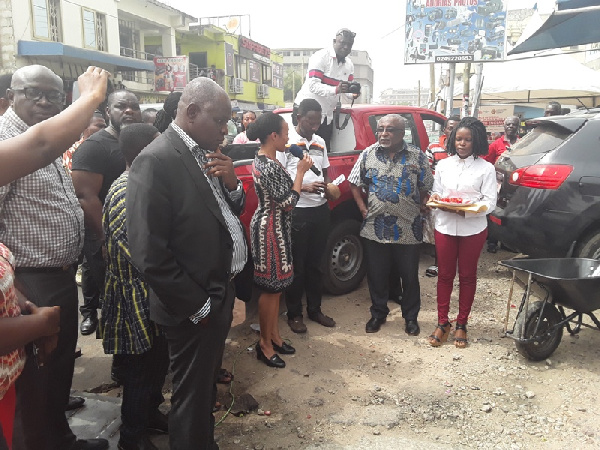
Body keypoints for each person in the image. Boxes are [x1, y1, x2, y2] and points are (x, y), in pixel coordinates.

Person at [127, 77, 247, 450]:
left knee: (202, 391)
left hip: (216, 292)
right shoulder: (156, 160)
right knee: (191, 398)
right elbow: (149, 254)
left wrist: (231, 185)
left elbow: (225, 214)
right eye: (221, 121)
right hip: (193, 305)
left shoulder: (204, 153)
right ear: (192, 113)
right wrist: (199, 308)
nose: (226, 130)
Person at [0, 65, 108, 450]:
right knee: (32, 377)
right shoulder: (10, 142)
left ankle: (60, 438)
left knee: (59, 367)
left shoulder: (53, 140)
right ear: (12, 95)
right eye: (34, 93)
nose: (45, 102)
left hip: (61, 274)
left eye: (54, 96)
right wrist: (18, 288)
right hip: (29, 280)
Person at [100, 123, 168, 450]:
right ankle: (132, 436)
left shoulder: (144, 183)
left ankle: (150, 415)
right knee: (140, 371)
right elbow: (141, 253)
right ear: (143, 152)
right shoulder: (127, 190)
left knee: (157, 364)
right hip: (135, 296)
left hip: (149, 292)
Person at [348, 114, 433, 335]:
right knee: (377, 275)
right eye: (381, 129)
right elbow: (354, 183)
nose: (383, 134)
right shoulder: (368, 154)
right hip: (375, 227)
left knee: (409, 276)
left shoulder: (417, 156)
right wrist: (362, 207)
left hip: (408, 227)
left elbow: (425, 185)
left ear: (401, 133)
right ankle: (378, 313)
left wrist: (421, 203)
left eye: (389, 130)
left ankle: (411, 318)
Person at [72, 90, 142, 336]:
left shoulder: (141, 141)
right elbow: (86, 197)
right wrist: (106, 237)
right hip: (105, 237)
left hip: (139, 233)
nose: (129, 110)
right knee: (114, 297)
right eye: (121, 106)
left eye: (134, 106)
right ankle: (122, 360)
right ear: (108, 112)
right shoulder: (94, 147)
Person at [248, 113, 312, 368]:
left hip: (277, 229)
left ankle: (274, 335)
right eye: (285, 133)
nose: (289, 137)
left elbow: (282, 194)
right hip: (269, 231)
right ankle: (263, 344)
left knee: (278, 289)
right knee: (271, 288)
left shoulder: (269, 160)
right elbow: (287, 203)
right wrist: (300, 173)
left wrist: (301, 183)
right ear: (273, 136)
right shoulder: (267, 164)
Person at [427, 117, 497, 349]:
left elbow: (490, 202)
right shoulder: (444, 165)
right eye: (458, 139)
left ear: (476, 141)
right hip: (445, 226)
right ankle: (442, 322)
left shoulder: (486, 168)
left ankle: (462, 324)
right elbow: (437, 192)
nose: (462, 144)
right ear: (452, 140)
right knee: (445, 275)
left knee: (467, 276)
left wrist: (468, 211)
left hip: (473, 228)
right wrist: (436, 199)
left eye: (467, 140)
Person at [277, 99, 336, 333]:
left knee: (316, 265)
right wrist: (302, 188)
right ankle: (294, 314)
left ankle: (315, 310)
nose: (315, 125)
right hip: (297, 211)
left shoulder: (320, 141)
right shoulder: (288, 142)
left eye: (318, 121)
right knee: (297, 266)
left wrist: (329, 188)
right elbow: (280, 179)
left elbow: (326, 170)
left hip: (320, 210)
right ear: (299, 117)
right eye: (311, 121)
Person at [293, 28, 359, 149]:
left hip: (326, 116)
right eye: (342, 43)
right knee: (302, 151)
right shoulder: (320, 57)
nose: (345, 47)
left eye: (349, 45)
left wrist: (353, 94)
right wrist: (336, 90)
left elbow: (346, 91)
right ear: (334, 41)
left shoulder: (349, 64)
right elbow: (313, 85)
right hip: (306, 113)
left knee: (322, 152)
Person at [423, 115, 460, 277]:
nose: (453, 132)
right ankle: (439, 264)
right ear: (445, 129)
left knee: (456, 231)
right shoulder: (434, 147)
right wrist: (425, 196)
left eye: (457, 128)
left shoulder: (463, 148)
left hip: (457, 199)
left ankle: (452, 262)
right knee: (439, 232)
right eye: (450, 128)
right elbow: (425, 172)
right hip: (436, 197)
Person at [484, 115, 519, 253]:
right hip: (498, 187)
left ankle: (506, 242)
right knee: (495, 213)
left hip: (515, 187)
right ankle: (492, 242)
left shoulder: (523, 143)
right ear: (504, 127)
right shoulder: (496, 144)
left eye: (514, 125)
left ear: (518, 127)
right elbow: (487, 161)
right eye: (508, 124)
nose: (511, 127)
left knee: (510, 214)